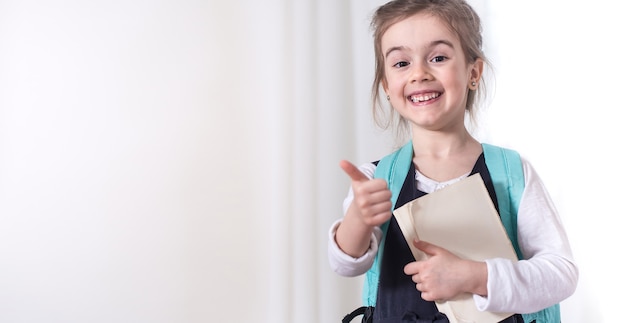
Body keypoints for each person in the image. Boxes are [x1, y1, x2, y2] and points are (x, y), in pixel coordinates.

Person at [327, 0, 579, 322]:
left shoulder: (513, 173)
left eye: (439, 58)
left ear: (473, 72)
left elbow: (561, 273)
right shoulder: (376, 178)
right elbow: (346, 263)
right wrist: (358, 220)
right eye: (401, 63)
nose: (419, 73)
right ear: (387, 87)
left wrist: (474, 276)